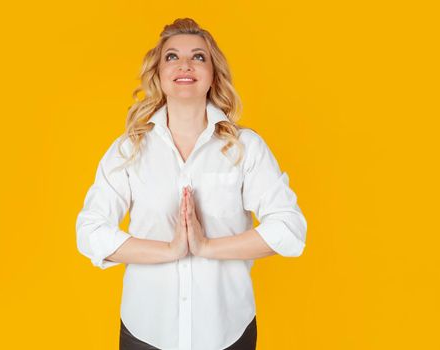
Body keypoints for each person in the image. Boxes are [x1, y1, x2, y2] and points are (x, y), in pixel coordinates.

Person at [75, 18, 307, 350]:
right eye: (172, 56)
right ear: (157, 73)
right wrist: (170, 251)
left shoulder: (245, 147)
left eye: (199, 57)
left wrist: (207, 247)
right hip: (146, 332)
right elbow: (89, 231)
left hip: (228, 333)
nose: (185, 64)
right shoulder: (130, 149)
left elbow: (290, 229)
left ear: (214, 74)